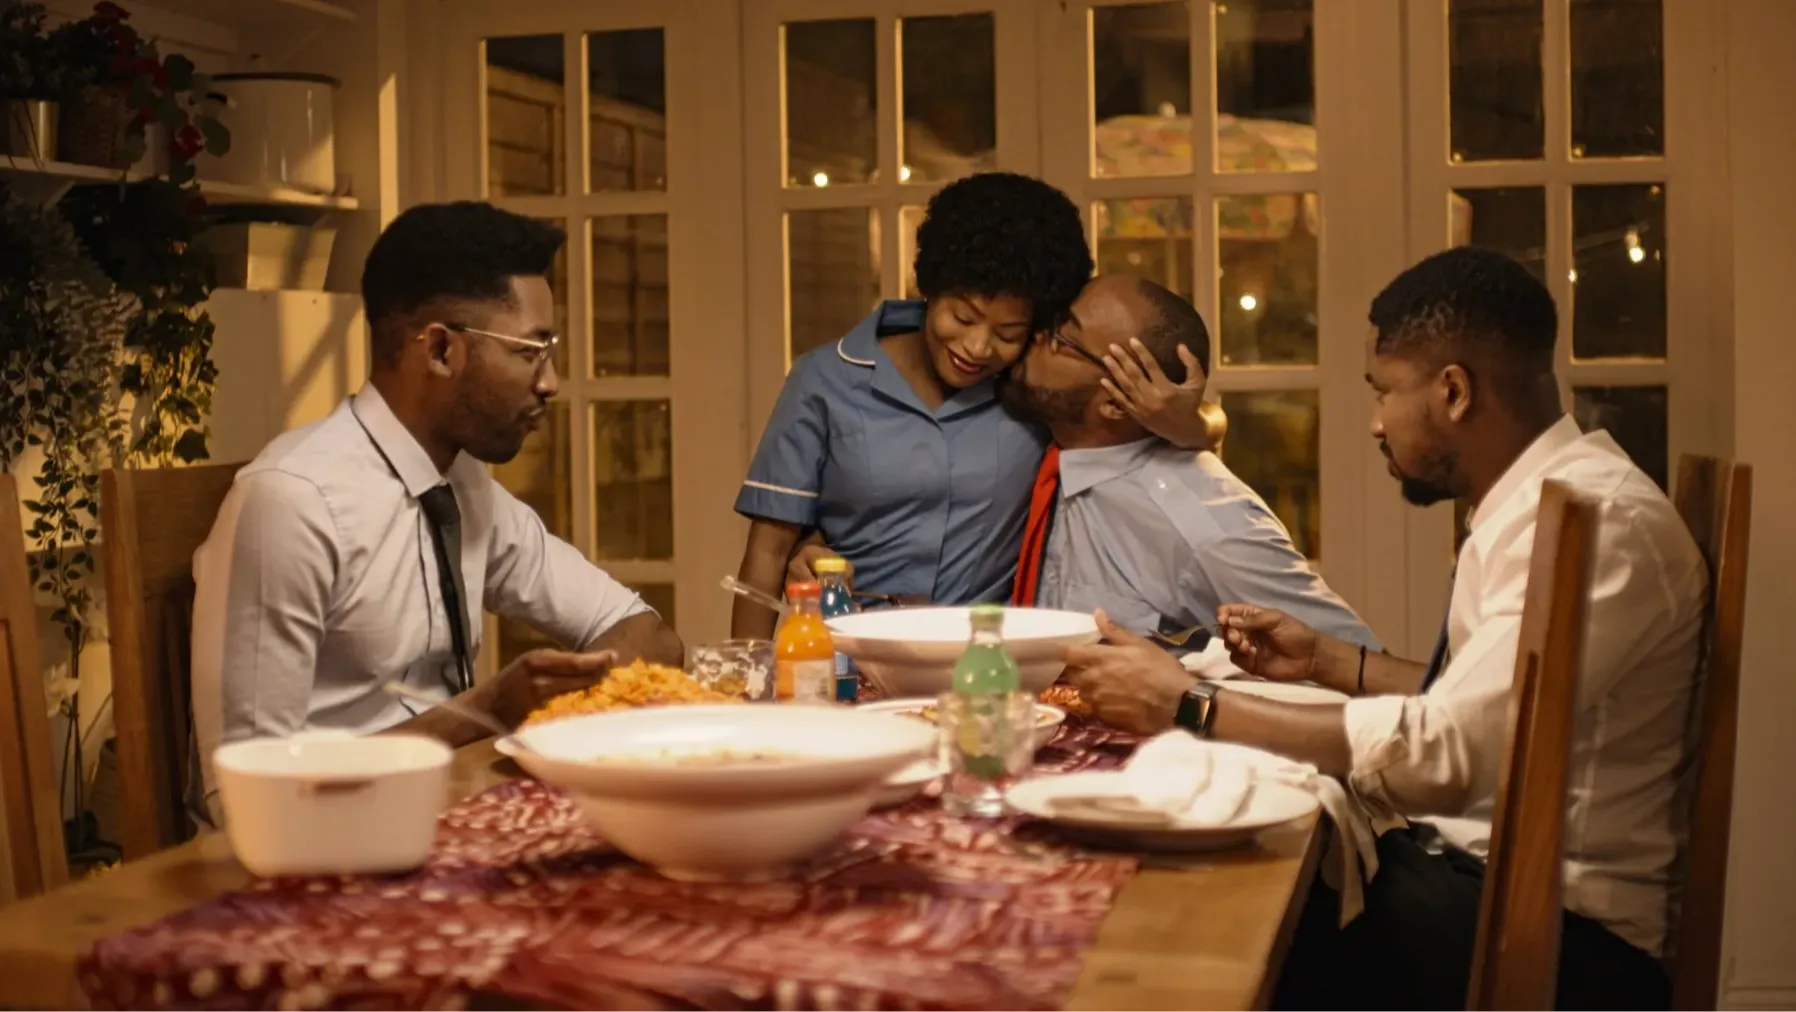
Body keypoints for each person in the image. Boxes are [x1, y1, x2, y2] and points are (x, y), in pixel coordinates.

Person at [1060, 247, 1705, 1011]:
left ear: (1454, 392)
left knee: (1200, 938)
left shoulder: (1595, 524)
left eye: (1383, 392)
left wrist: (1188, 705)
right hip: (1483, 886)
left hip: (1562, 940)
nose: (1373, 422)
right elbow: (1509, 707)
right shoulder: (1546, 500)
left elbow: (1447, 754)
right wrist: (1329, 662)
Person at [190, 202, 684, 809]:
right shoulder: (295, 502)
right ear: (442, 351)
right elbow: (246, 797)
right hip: (318, 856)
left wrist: (566, 701)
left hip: (449, 816)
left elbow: (650, 636)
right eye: (530, 352)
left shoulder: (463, 487)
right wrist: (484, 711)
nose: (550, 382)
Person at [731, 172, 1221, 638]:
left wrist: (1195, 425)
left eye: (1008, 334)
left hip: (990, 662)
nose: (978, 348)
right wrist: (746, 684)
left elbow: (1134, 430)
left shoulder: (1029, 389)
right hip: (849, 655)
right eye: (963, 317)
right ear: (929, 284)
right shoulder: (827, 379)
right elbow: (768, 553)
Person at [998, 274, 1376, 649]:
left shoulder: (1204, 525)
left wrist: (1191, 693)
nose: (1037, 336)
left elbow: (1358, 666)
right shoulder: (1052, 435)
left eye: (1063, 339)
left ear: (1116, 402)